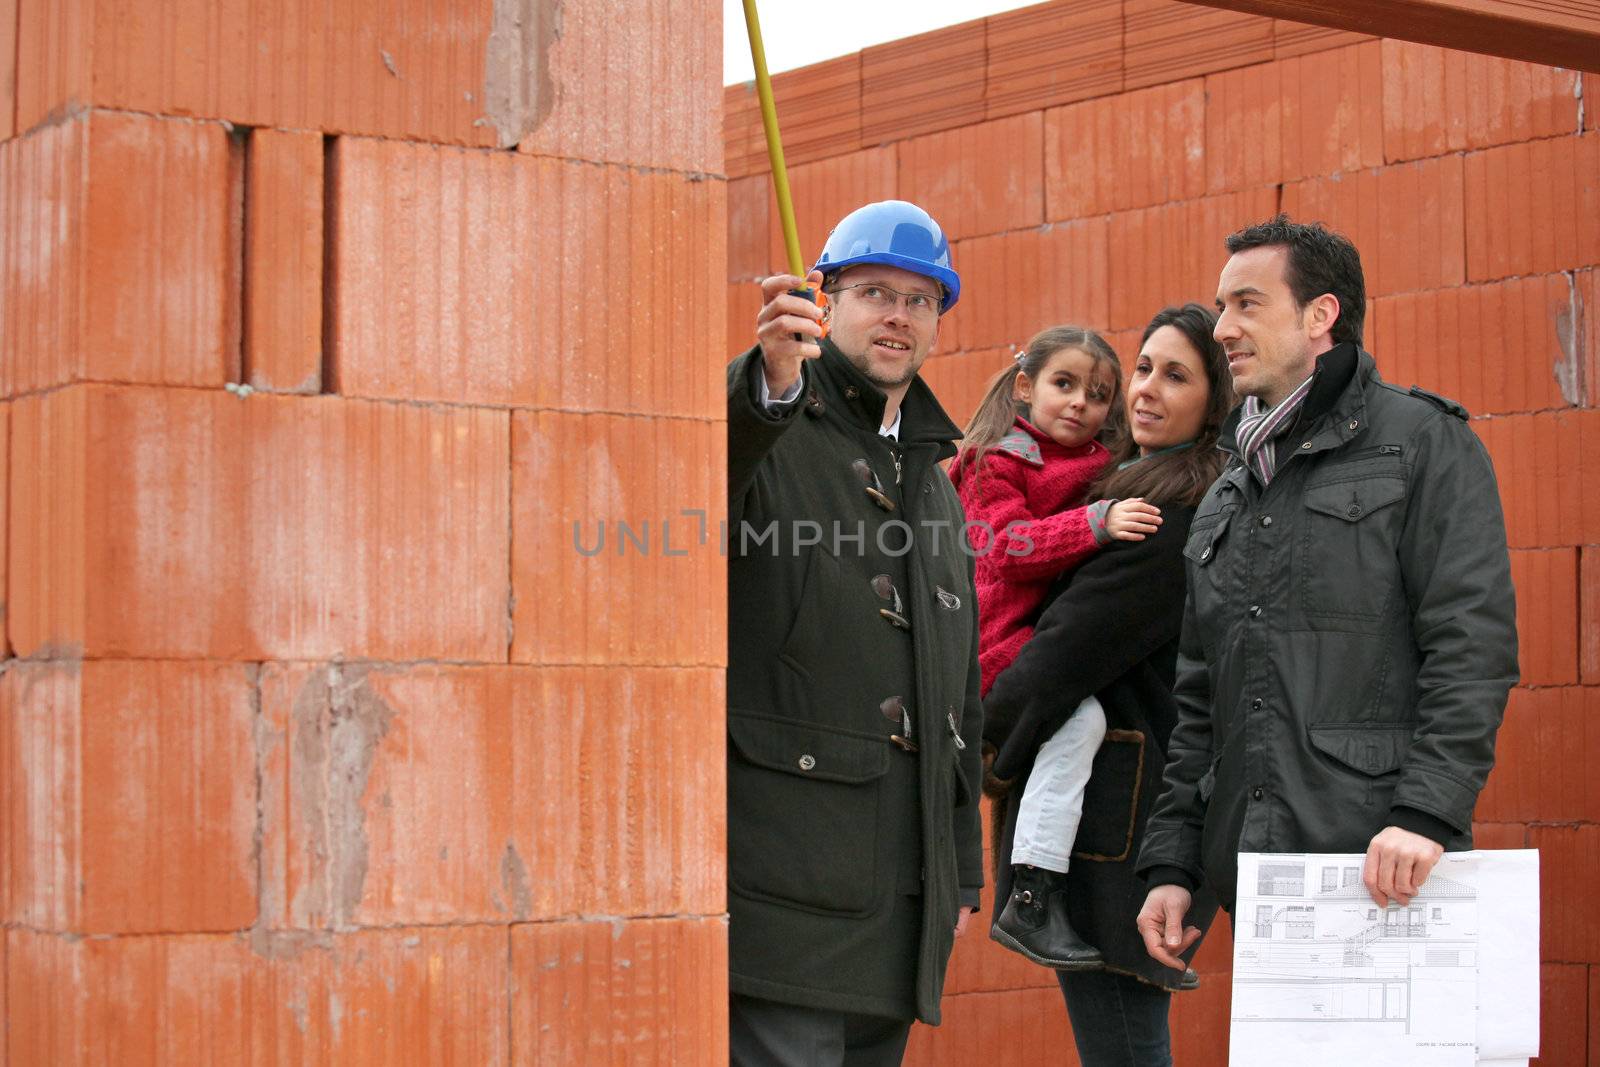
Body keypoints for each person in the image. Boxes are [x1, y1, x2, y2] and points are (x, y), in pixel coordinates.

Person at [1136, 215, 1518, 974]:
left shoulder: (1421, 444)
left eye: (1247, 303)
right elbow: (1200, 702)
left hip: (1390, 866)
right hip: (1261, 879)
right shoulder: (1226, 497)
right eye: (1221, 307)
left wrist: (1425, 811)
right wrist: (1174, 863)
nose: (1223, 329)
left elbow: (1471, 643)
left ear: (1321, 315)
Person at [725, 200, 984, 1066]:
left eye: (921, 299)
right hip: (784, 898)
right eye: (875, 291)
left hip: (901, 906)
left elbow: (956, 691)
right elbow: (717, 463)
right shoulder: (772, 419)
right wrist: (769, 383)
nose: (899, 315)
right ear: (824, 300)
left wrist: (960, 864)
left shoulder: (937, 482)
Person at [983, 304, 1234, 1066]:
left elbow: (1063, 654)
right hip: (1125, 822)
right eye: (1146, 368)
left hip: (1115, 834)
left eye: (1177, 375)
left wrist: (982, 751)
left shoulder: (1169, 516)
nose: (1147, 390)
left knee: (1123, 1044)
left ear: (1215, 404)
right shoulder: (1131, 488)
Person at [948, 326, 1163, 968]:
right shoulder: (995, 461)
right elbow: (1008, 548)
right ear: (1025, 386)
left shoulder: (1098, 461)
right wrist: (1096, 523)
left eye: (1098, 394)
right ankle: (1032, 897)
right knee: (1084, 718)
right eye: (1063, 384)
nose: (1079, 404)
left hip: (1030, 637)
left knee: (1085, 719)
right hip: (992, 643)